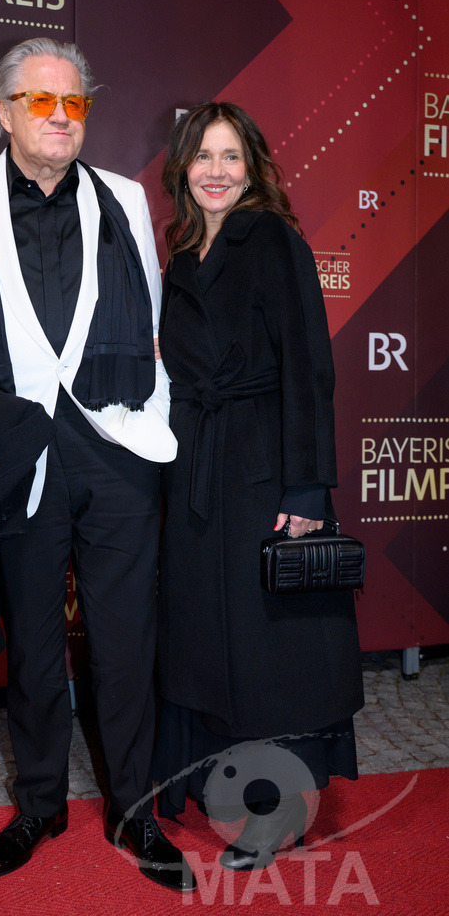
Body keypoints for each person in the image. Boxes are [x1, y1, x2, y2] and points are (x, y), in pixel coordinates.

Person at [0, 38, 195, 892]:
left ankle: (134, 811)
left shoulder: (125, 198)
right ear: (2, 112)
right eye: (41, 101)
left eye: (75, 103)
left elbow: (151, 329)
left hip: (117, 454)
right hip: (15, 458)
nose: (61, 117)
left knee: (126, 641)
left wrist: (151, 421)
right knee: (30, 642)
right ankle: (38, 805)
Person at [153, 102, 364, 871]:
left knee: (274, 652)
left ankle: (277, 812)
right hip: (194, 474)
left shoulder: (273, 239)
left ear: (253, 168)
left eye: (230, 157)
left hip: (264, 472)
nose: (215, 171)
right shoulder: (181, 256)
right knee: (205, 642)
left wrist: (307, 488)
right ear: (181, 168)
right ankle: (210, 783)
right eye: (202, 156)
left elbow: (309, 367)